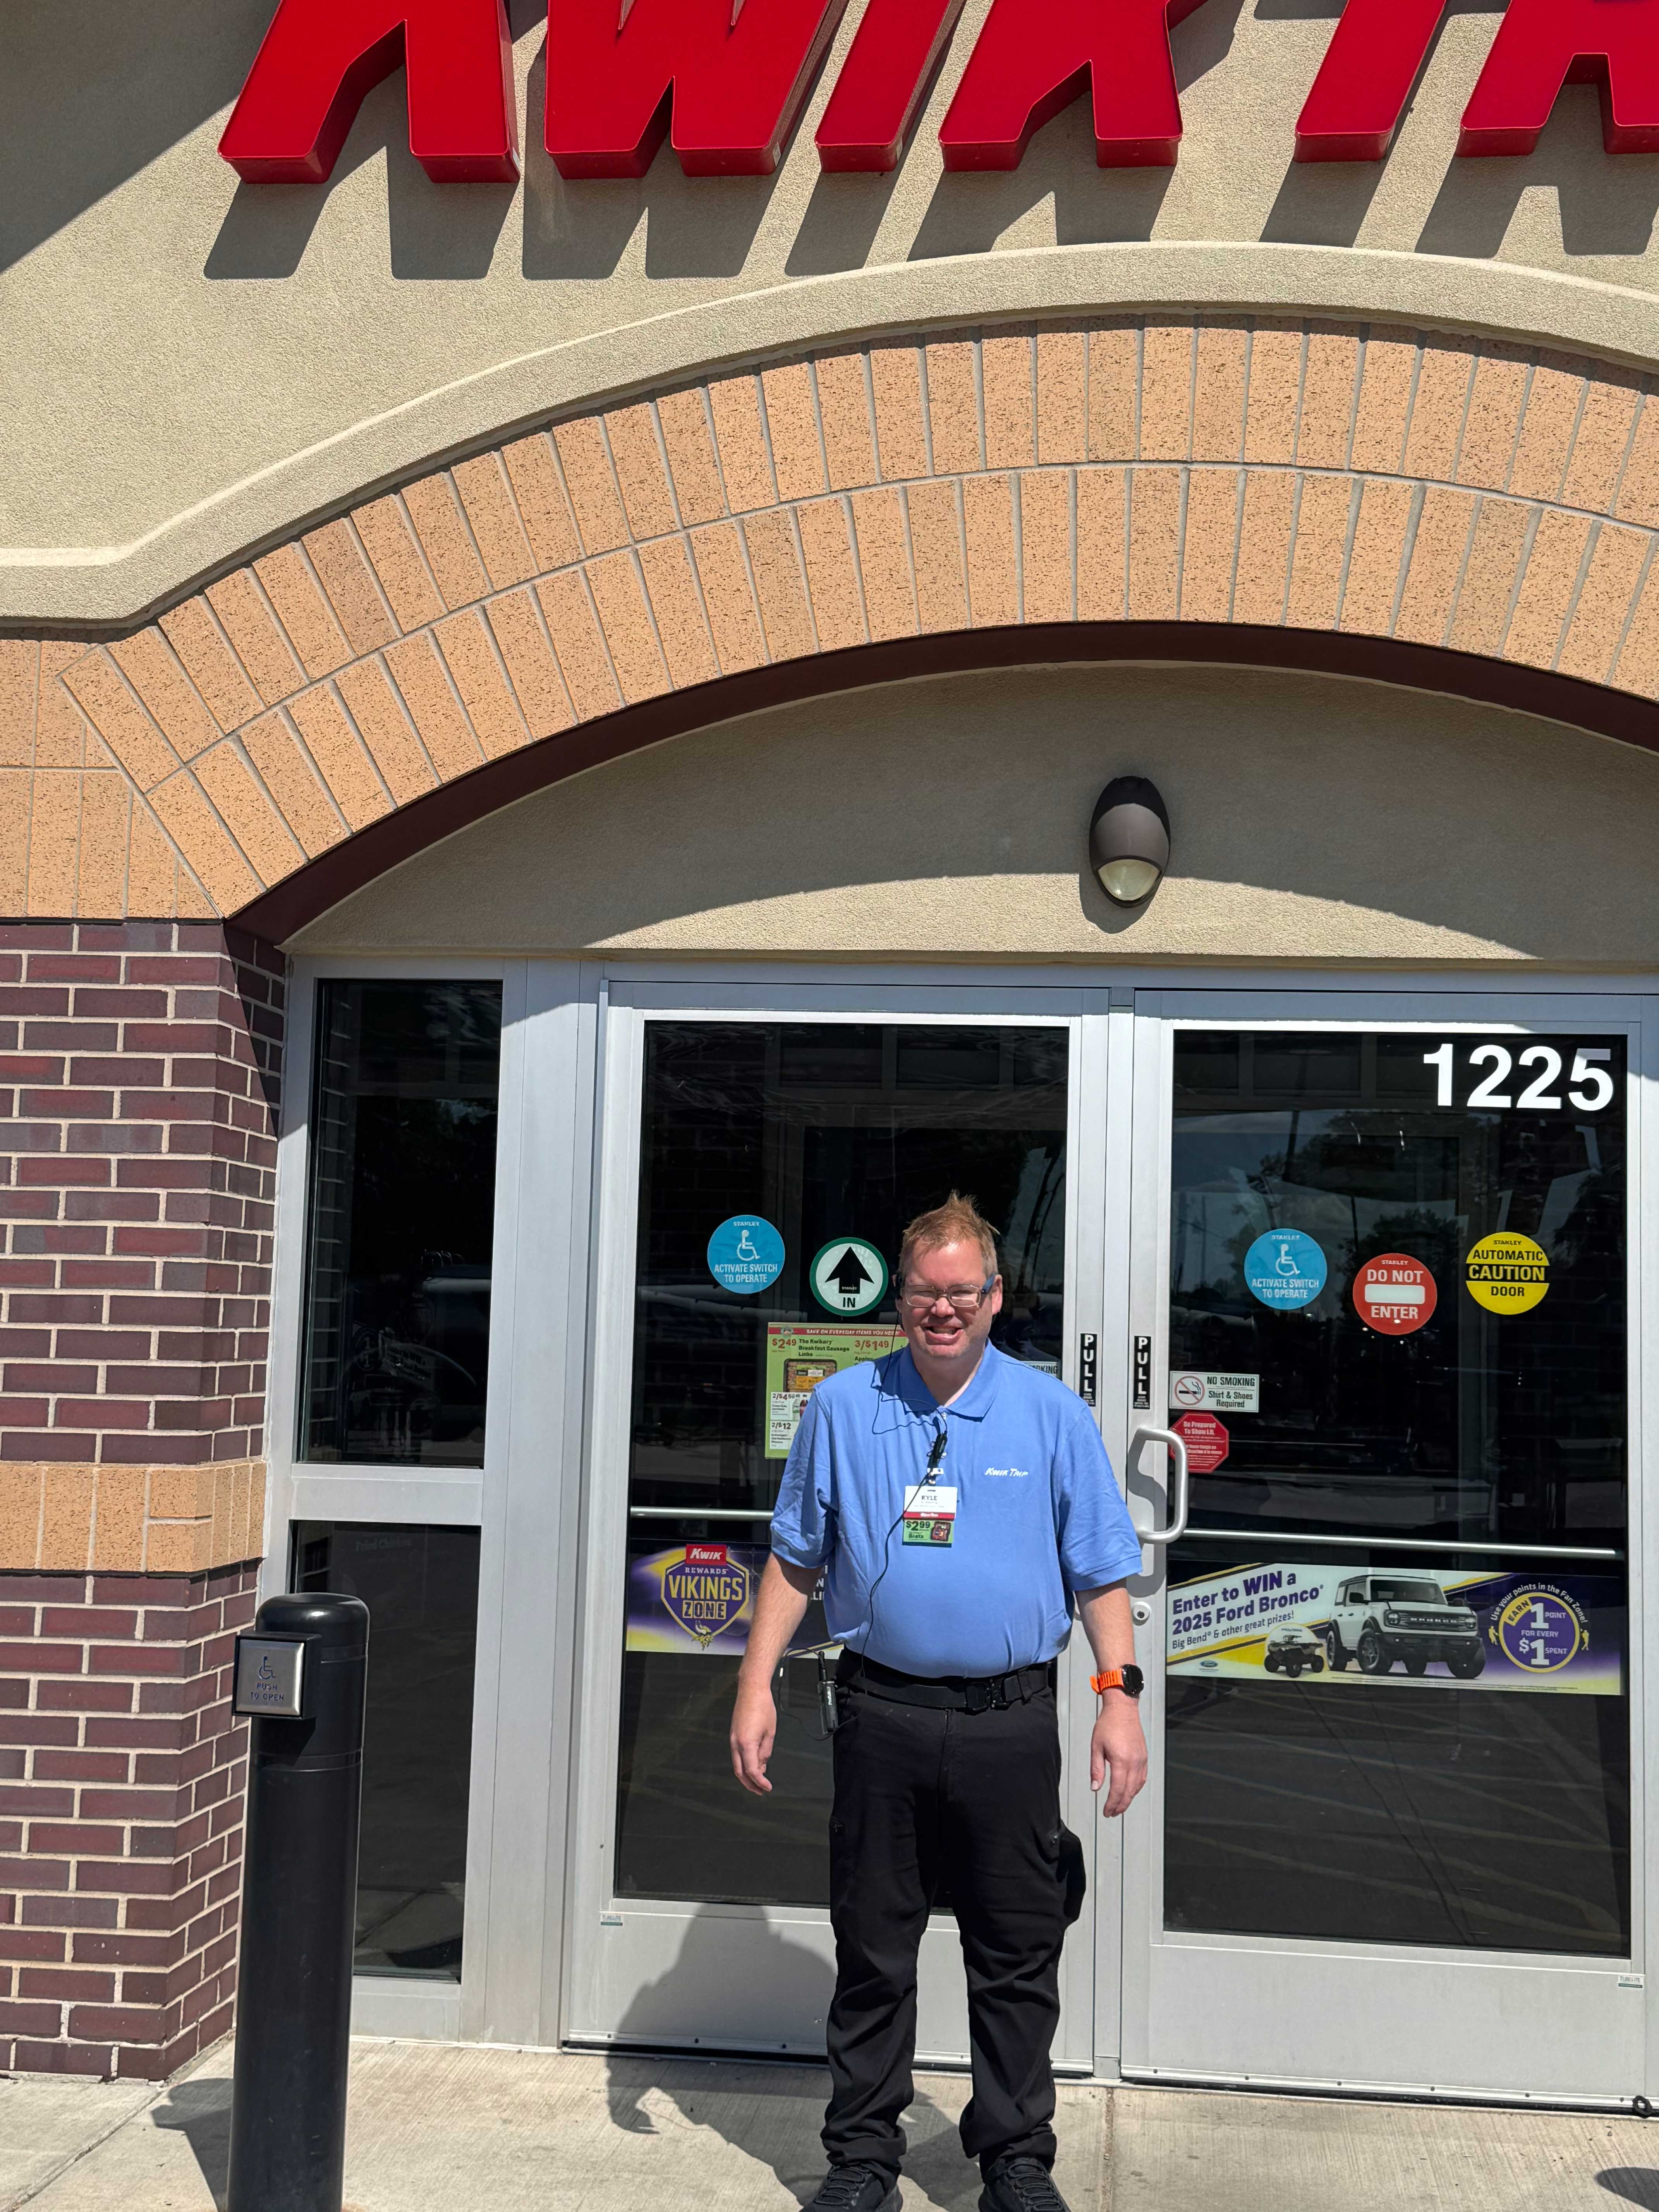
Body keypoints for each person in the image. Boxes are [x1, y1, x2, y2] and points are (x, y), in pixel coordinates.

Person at [730, 1193, 1147, 2212]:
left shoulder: (1048, 1415)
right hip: (881, 1717)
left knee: (1017, 1948)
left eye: (963, 1291)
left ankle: (1013, 2158)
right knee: (874, 1947)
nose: (943, 1309)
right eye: (925, 1291)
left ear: (997, 1298)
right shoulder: (841, 1408)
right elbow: (794, 1561)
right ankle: (863, 2158)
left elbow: (1098, 1575)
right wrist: (753, 1686)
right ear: (898, 1299)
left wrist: (1117, 1697)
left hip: (1009, 1723)